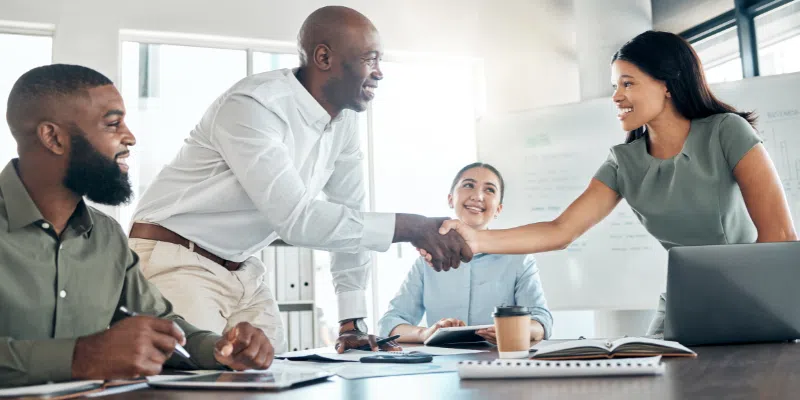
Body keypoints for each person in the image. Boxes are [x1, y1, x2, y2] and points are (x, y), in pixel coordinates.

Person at [128, 5, 471, 355]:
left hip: (242, 271)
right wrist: (413, 227)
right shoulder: (254, 105)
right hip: (177, 258)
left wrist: (351, 322)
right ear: (324, 57)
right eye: (370, 60)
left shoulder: (344, 123)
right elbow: (297, 219)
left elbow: (348, 211)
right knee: (194, 384)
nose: (379, 73)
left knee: (271, 378)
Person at [430, 31, 797, 335]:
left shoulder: (725, 132)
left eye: (628, 83)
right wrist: (475, 239)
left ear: (667, 85)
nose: (616, 96)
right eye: (614, 85)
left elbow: (779, 234)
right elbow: (561, 230)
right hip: (685, 307)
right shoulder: (624, 162)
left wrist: (757, 310)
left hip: (751, 300)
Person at [0, 64, 273, 388]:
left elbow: (162, 323)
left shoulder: (107, 236)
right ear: (53, 137)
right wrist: (80, 357)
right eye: (113, 124)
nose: (129, 137)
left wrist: (221, 348)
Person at [378, 163, 552, 344]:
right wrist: (425, 333)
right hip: (441, 365)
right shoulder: (427, 260)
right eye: (468, 185)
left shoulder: (519, 259)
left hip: (498, 363)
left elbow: (541, 323)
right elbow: (389, 323)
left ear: (498, 209)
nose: (477, 196)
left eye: (490, 190)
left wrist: (511, 330)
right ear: (450, 199)